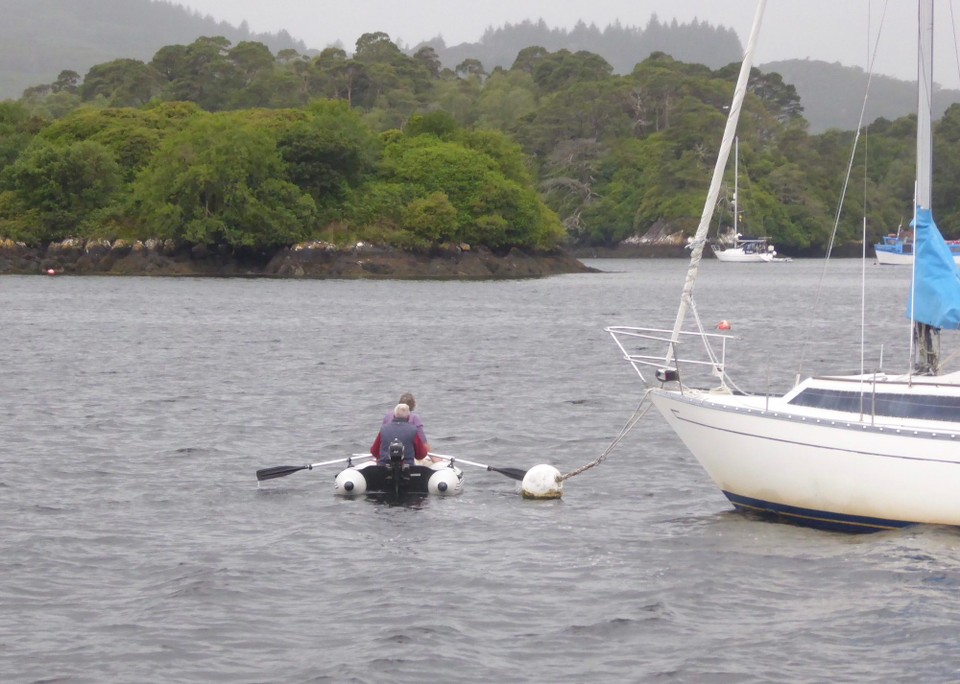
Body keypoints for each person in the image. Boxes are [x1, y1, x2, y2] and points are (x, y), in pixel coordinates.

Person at [371, 403, 428, 467]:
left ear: (394, 416)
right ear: (408, 417)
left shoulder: (383, 429)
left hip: (384, 469)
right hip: (407, 470)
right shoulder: (413, 430)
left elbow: (374, 452)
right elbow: (421, 455)